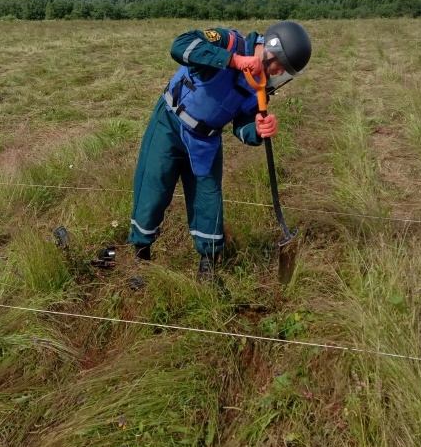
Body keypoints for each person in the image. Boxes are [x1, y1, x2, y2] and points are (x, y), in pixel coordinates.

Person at [127, 21, 312, 288]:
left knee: (208, 201)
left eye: (285, 73)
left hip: (206, 140)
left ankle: (208, 266)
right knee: (153, 190)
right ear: (270, 50)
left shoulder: (260, 86)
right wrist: (234, 61)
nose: (278, 74)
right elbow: (180, 46)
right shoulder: (228, 42)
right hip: (169, 124)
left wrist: (258, 129)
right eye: (279, 66)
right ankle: (140, 256)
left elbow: (242, 126)